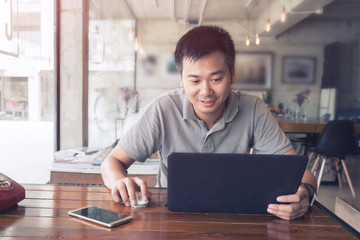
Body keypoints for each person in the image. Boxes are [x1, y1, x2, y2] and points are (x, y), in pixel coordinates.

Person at [101, 25, 317, 220]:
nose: (205, 92)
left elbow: (302, 174)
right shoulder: (162, 109)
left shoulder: (253, 109)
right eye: (194, 80)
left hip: (235, 216)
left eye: (216, 79)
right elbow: (111, 162)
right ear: (181, 78)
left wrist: (304, 193)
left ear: (232, 74)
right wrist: (119, 180)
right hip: (171, 218)